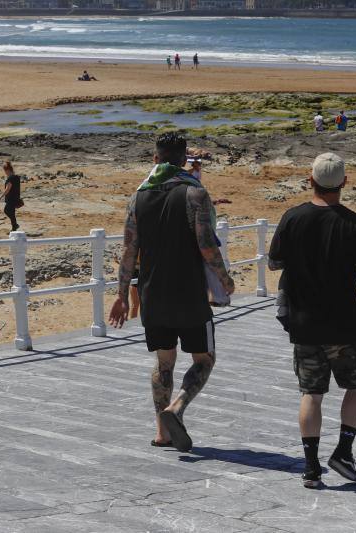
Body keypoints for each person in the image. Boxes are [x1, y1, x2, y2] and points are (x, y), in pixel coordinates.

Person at [109, 133, 235, 453]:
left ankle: (161, 433)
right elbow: (207, 245)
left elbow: (128, 252)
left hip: (152, 294)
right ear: (184, 161)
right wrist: (225, 278)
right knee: (204, 359)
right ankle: (176, 408)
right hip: (190, 293)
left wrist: (122, 295)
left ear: (154, 159)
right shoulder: (195, 194)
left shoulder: (138, 198)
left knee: (163, 362)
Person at [268, 152, 356, 489]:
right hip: (346, 324)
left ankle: (311, 468)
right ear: (344, 183)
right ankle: (343, 452)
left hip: (304, 324)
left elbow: (275, 263)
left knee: (311, 394)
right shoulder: (355, 223)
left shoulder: (292, 218)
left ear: (311, 180)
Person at [0, 160, 22, 233]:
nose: (5, 172)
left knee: (6, 210)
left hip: (11, 199)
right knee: (11, 212)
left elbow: (7, 189)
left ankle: (15, 226)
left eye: (5, 170)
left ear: (7, 170)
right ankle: (14, 226)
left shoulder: (10, 178)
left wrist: (0, 198)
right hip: (16, 197)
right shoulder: (16, 177)